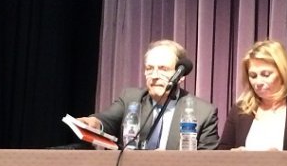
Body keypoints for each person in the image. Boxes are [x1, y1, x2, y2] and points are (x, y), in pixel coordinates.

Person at [77, 39, 219, 149]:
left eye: (163, 69)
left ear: (181, 76)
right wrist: (92, 123)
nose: (155, 75)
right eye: (149, 68)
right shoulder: (130, 98)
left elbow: (208, 164)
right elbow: (107, 119)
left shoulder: (203, 112)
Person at [217, 39, 287, 151]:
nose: (258, 82)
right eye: (253, 75)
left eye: (266, 74)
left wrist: (279, 160)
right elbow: (221, 157)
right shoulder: (240, 110)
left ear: (282, 73)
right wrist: (234, 157)